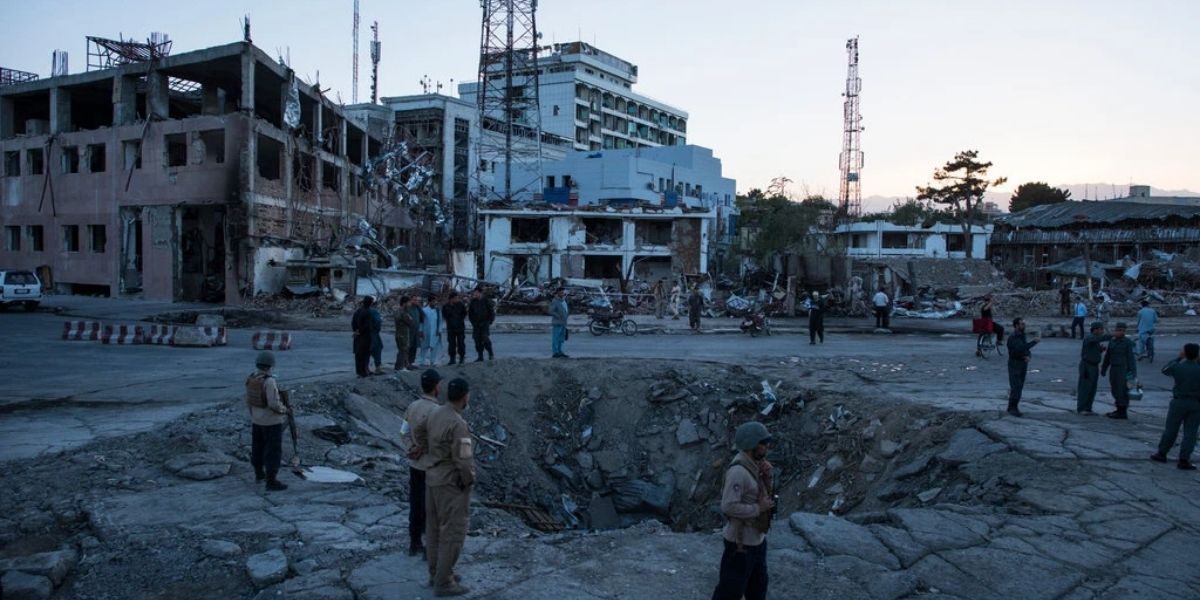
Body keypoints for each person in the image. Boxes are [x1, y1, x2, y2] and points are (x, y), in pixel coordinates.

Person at [711, 421, 774, 600]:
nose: (766, 447)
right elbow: (728, 506)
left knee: (758, 589)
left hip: (757, 541)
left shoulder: (756, 465)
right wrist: (757, 508)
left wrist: (768, 478)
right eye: (763, 444)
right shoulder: (738, 471)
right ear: (751, 445)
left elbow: (761, 495)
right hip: (740, 544)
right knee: (729, 592)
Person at [424, 378, 475, 596]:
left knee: (434, 530)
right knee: (453, 532)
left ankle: (436, 572)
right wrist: (469, 479)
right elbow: (463, 460)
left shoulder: (435, 412)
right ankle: (444, 582)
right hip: (450, 483)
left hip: (432, 477)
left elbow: (419, 433)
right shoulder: (458, 424)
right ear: (465, 396)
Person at [403, 369, 443, 557]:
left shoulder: (412, 406)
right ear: (436, 387)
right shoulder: (438, 411)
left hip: (415, 465)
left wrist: (411, 449)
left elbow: (403, 431)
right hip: (431, 467)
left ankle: (414, 543)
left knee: (415, 504)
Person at [1150, 343, 1200, 471]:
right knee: (1191, 433)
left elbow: (1165, 369)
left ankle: (1162, 453)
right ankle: (1184, 459)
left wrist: (1178, 358)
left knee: (1171, 429)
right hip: (1195, 403)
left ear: (1184, 353)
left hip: (1179, 401)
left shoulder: (1178, 367)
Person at [246, 350, 290, 491]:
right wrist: (285, 410)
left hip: (256, 420)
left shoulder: (251, 377)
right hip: (271, 422)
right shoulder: (269, 381)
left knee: (257, 448)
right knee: (273, 451)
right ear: (271, 365)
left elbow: (248, 400)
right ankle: (271, 481)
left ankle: (259, 474)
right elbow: (273, 404)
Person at [1101, 322, 1138, 420]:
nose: (1120, 332)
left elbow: (1131, 359)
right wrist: (1104, 369)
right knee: (1115, 389)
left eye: (1122, 330)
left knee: (1122, 390)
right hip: (1114, 368)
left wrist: (1133, 374)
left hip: (1123, 369)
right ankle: (1118, 409)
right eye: (1118, 330)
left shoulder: (1127, 343)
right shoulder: (1112, 341)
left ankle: (1122, 411)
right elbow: (1108, 356)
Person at [1005, 317, 1039, 417]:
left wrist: (1028, 356)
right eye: (1021, 324)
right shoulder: (1013, 337)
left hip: (1022, 363)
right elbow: (1020, 349)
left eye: (1024, 324)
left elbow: (1025, 349)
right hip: (1015, 364)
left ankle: (1013, 406)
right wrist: (1034, 342)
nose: (1023, 326)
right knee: (1016, 386)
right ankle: (1012, 408)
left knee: (1019, 386)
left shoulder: (1021, 336)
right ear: (1016, 326)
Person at [1076, 322, 1112, 415]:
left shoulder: (1095, 340)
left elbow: (1093, 350)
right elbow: (1099, 338)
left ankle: (1088, 408)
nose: (1102, 331)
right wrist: (1111, 335)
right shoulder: (1090, 337)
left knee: (1092, 388)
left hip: (1094, 366)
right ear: (1095, 329)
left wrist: (1100, 350)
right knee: (1085, 387)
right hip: (1087, 366)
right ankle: (1081, 408)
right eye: (1101, 329)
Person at [467, 288, 495, 362]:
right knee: (477, 340)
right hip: (476, 324)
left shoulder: (486, 301)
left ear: (480, 293)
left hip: (485, 323)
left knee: (485, 338)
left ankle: (490, 353)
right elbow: (470, 314)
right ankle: (480, 356)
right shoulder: (473, 302)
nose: (475, 294)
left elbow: (491, 312)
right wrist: (473, 322)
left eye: (476, 293)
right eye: (474, 293)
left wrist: (489, 322)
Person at [351, 296, 375, 378]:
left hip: (358, 336)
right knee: (365, 354)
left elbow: (353, 323)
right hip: (365, 336)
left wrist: (356, 331)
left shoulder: (358, 311)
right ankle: (364, 371)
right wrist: (360, 331)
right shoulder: (367, 312)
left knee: (359, 354)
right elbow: (366, 326)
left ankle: (360, 371)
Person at [442, 292, 468, 365]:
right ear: (451, 299)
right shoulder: (446, 306)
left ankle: (461, 358)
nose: (457, 299)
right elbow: (444, 315)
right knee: (451, 344)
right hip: (450, 328)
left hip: (460, 328)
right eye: (456, 298)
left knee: (461, 343)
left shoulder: (460, 305)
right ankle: (452, 359)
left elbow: (464, 314)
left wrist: (460, 320)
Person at [394, 296, 417, 371]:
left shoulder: (400, 311)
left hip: (401, 334)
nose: (410, 304)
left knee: (404, 350)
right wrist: (410, 319)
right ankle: (400, 367)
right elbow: (411, 322)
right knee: (403, 350)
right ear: (404, 303)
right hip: (402, 334)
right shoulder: (402, 312)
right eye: (409, 302)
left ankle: (405, 365)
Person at [419, 296, 443, 366]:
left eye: (436, 301)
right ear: (429, 302)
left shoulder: (438, 311)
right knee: (424, 347)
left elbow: (440, 321)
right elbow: (421, 322)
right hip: (426, 331)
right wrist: (420, 331)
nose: (435, 302)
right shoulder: (424, 310)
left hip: (435, 332)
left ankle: (432, 361)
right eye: (433, 301)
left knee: (434, 347)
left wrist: (439, 330)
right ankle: (422, 362)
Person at [550, 288, 569, 358]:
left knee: (561, 338)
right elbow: (551, 311)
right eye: (561, 293)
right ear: (558, 293)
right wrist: (558, 316)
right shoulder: (555, 301)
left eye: (563, 292)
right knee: (556, 338)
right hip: (557, 322)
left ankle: (560, 351)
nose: (563, 294)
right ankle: (555, 352)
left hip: (563, 322)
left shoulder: (563, 301)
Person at [407, 295, 424, 367]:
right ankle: (406, 363)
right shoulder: (407, 308)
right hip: (409, 331)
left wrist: (419, 306)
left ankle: (411, 363)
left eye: (416, 300)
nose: (416, 301)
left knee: (414, 347)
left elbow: (423, 316)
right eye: (414, 300)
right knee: (408, 347)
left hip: (416, 331)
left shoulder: (417, 308)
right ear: (410, 300)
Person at [369, 298, 385, 375]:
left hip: (365, 334)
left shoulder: (362, 310)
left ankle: (366, 368)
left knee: (366, 351)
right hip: (373, 333)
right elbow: (378, 321)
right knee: (377, 349)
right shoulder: (374, 311)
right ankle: (378, 368)